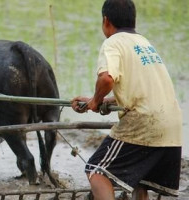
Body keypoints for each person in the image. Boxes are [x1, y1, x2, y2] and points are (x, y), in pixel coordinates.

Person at [71, 0, 183, 199]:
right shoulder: (145, 44)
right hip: (172, 126)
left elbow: (106, 78)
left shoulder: (113, 43)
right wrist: (97, 100)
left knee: (97, 171)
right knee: (141, 181)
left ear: (106, 21)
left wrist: (96, 100)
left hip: (144, 122)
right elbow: (140, 91)